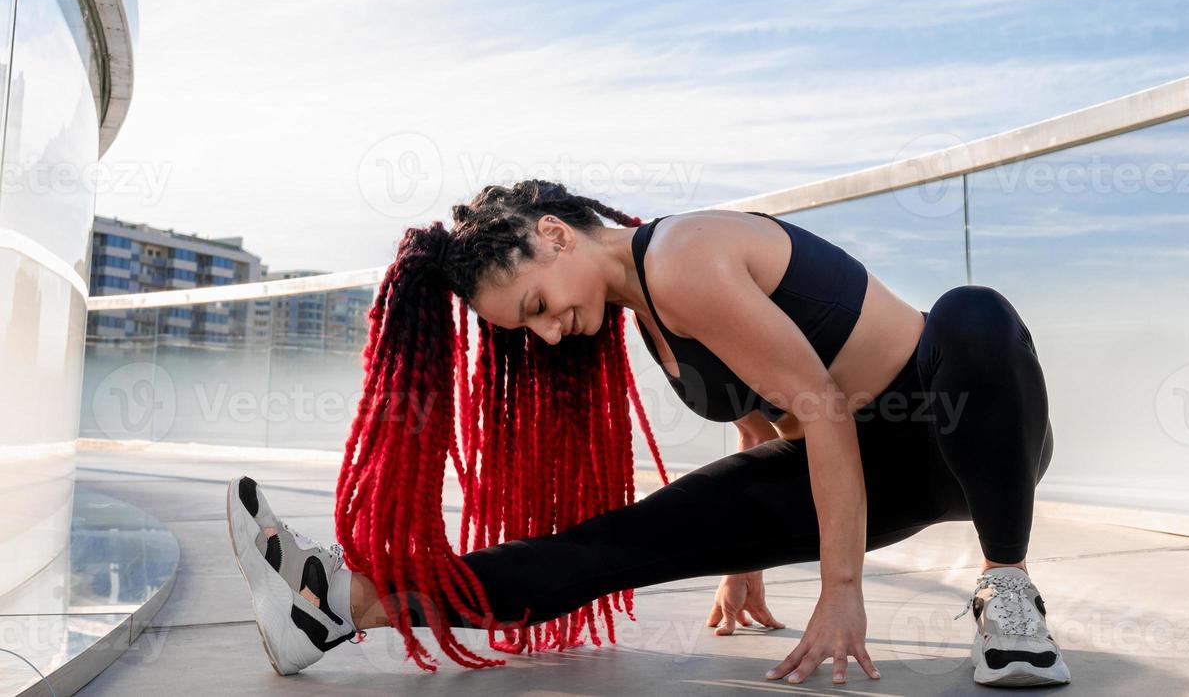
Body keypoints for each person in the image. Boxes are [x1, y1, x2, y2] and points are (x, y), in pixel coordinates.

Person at [225, 179, 1069, 687]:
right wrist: (744, 564)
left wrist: (841, 588)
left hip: (975, 428)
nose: (549, 334)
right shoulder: (650, 321)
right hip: (871, 473)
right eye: (529, 332)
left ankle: (1008, 589)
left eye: (538, 307)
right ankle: (342, 604)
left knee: (969, 313)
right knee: (608, 545)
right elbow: (773, 429)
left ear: (551, 235)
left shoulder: (685, 256)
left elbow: (819, 406)